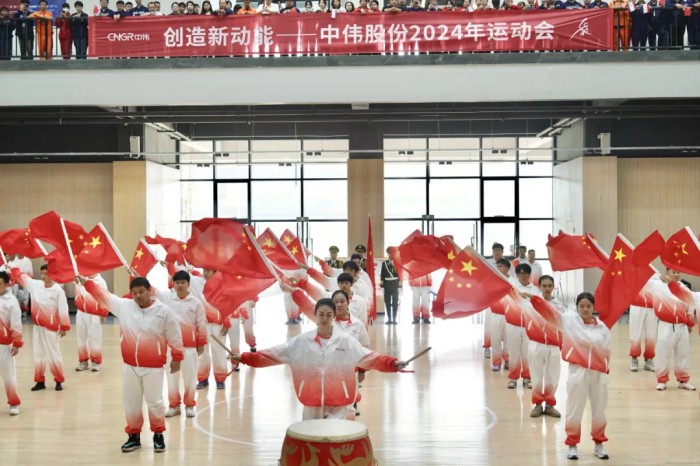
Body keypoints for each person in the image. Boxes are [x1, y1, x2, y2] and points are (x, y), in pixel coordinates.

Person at [231, 298, 407, 420]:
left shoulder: (345, 341)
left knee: (335, 443)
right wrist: (245, 358)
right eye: (321, 314)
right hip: (311, 401)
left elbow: (369, 357)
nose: (324, 319)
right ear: (315, 315)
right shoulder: (301, 342)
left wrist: (393, 363)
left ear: (334, 316)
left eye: (329, 315)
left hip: (339, 402)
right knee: (312, 443)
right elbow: (272, 354)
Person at [81, 275, 183, 453]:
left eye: (141, 292)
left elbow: (175, 334)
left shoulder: (163, 311)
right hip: (130, 365)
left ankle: (158, 435)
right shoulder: (125, 307)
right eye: (134, 293)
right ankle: (133, 437)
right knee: (131, 403)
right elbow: (104, 296)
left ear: (150, 291)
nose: (138, 296)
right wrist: (87, 283)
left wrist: (177, 357)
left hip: (153, 367)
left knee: (155, 402)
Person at [545, 292, 611, 461]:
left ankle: (599, 444)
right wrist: (535, 299)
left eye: (588, 306)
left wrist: (604, 369)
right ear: (577, 307)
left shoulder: (602, 327)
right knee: (574, 409)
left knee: (599, 410)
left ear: (593, 307)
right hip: (578, 371)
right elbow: (549, 313)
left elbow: (607, 350)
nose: (585, 309)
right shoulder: (569, 322)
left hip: (598, 373)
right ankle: (572, 445)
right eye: (582, 306)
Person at [151, 270, 206, 419]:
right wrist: (137, 275)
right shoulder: (167, 298)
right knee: (172, 378)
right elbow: (152, 289)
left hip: (189, 347)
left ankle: (189, 405)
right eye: (177, 283)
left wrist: (201, 343)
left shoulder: (196, 303)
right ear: (173, 284)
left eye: (183, 282)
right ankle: (174, 406)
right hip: (172, 347)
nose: (180, 285)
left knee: (190, 377)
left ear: (188, 284)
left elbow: (201, 324)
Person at [11, 264, 69, 392]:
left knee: (54, 354)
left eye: (45, 274)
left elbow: (63, 309)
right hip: (37, 327)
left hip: (51, 328)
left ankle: (58, 380)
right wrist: (13, 269)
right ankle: (40, 381)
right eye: (42, 273)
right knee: (38, 354)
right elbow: (22, 277)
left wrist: (64, 326)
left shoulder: (58, 291)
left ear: (52, 274)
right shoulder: (36, 285)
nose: (43, 276)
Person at [651, 269, 696, 391]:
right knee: (663, 353)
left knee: (683, 353)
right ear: (667, 272)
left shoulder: (684, 289)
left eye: (678, 272)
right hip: (665, 325)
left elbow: (690, 307)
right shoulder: (658, 286)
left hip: (681, 326)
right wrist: (658, 278)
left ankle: (683, 381)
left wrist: (690, 324)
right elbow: (646, 278)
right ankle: (661, 380)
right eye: (673, 272)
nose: (676, 274)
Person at [527, 275, 565, 418]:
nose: (547, 288)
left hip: (553, 345)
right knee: (536, 375)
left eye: (550, 286)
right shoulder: (532, 303)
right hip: (536, 343)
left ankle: (549, 405)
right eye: (544, 286)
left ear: (553, 287)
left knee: (552, 376)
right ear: (539, 287)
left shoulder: (558, 306)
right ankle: (537, 404)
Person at [192, 268, 232, 390]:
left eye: (208, 271)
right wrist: (169, 265)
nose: (205, 273)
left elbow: (228, 303)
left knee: (218, 352)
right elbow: (181, 276)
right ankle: (202, 379)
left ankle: (220, 379)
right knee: (202, 353)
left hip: (217, 324)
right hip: (202, 324)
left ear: (215, 272)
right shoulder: (198, 283)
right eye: (204, 270)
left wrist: (227, 321)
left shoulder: (222, 285)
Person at [332, 290, 369, 416]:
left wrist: (362, 371)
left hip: (351, 371)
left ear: (348, 303)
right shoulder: (328, 323)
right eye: (335, 302)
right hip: (331, 370)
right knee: (333, 405)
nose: (339, 305)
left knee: (349, 405)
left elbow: (364, 348)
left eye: (342, 301)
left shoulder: (358, 324)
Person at [505, 263, 539, 389]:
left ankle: (527, 377)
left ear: (530, 275)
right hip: (512, 324)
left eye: (526, 274)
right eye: (521, 274)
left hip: (529, 326)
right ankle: (513, 378)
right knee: (513, 352)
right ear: (517, 275)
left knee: (528, 353)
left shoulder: (535, 290)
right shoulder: (511, 288)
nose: (524, 276)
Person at [74, 273, 109, 372]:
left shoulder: (100, 282)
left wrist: (103, 313)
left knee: (95, 337)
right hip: (81, 312)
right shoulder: (80, 279)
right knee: (81, 337)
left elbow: (104, 298)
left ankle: (96, 362)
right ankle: (83, 361)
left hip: (94, 313)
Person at [0, 271, 22, 416]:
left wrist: (17, 343)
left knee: (8, 375)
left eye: (0, 284)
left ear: (7, 284)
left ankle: (14, 402)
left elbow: (16, 324)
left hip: (4, 344)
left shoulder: (11, 302)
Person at [628, 278, 657, 373]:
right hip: (637, 305)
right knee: (635, 334)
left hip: (651, 307)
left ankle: (649, 360)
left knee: (651, 335)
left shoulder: (656, 275)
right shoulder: (633, 273)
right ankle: (634, 359)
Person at [489, 259, 511, 372]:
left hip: (510, 314)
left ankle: (508, 360)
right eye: (497, 266)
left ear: (507, 268)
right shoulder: (493, 280)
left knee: (509, 339)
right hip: (496, 313)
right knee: (495, 339)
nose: (498, 268)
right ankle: (496, 362)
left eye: (501, 266)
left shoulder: (513, 281)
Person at [380, 248, 401, 325]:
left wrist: (400, 285)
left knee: (395, 302)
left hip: (395, 284)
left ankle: (394, 319)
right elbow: (382, 275)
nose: (390, 255)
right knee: (387, 302)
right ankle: (389, 319)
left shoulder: (397, 263)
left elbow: (400, 275)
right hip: (387, 284)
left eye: (391, 253)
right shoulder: (384, 263)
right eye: (389, 253)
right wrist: (382, 285)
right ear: (387, 254)